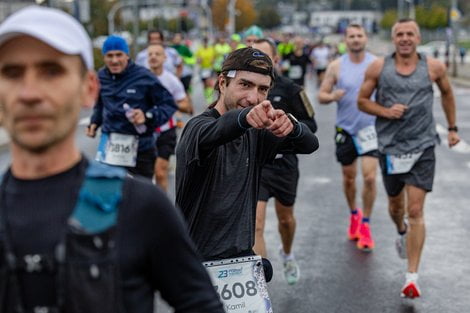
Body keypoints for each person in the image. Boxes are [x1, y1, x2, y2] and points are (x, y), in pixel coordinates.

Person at [0, 5, 224, 313]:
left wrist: (145, 117)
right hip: (113, 147)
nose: (29, 92)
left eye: (51, 71)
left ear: (88, 88)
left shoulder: (142, 208)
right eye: (11, 73)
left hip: (141, 150)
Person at [175, 47, 319, 264]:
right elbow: (220, 129)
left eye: (262, 89)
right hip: (195, 261)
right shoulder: (197, 128)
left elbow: (310, 144)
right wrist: (244, 118)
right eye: (245, 85)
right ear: (223, 83)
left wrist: (292, 125)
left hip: (242, 262)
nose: (253, 97)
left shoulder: (256, 134)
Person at [358, 18, 460, 298]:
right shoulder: (379, 67)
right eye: (400, 34)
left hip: (423, 146)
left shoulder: (434, 67)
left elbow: (448, 94)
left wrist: (452, 129)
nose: (405, 38)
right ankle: (401, 231)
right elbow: (362, 101)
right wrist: (385, 111)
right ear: (394, 39)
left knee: (416, 210)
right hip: (391, 148)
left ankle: (411, 277)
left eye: (410, 34)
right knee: (395, 207)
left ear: (418, 37)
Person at [252, 38, 317, 285]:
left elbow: (311, 125)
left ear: (276, 60)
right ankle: (258, 287)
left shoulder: (292, 89)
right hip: (259, 165)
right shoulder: (248, 92)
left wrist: (288, 123)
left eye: (264, 58)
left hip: (285, 165)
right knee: (256, 224)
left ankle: (287, 254)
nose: (258, 63)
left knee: (285, 220)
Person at [318, 24, 378, 252]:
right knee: (349, 178)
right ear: (346, 40)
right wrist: (332, 95)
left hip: (370, 129)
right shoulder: (336, 66)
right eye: (351, 36)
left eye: (359, 36)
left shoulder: (376, 64)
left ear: (366, 38)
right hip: (345, 129)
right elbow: (321, 95)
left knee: (370, 178)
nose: (355, 40)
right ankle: (354, 212)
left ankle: (366, 223)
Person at [86, 35, 177, 179]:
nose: (114, 60)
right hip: (111, 143)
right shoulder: (102, 76)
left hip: (140, 145)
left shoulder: (144, 77)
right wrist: (94, 122)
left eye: (119, 55)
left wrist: (147, 116)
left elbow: (168, 105)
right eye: (109, 56)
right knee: (108, 191)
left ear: (127, 55)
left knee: (142, 195)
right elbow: (100, 103)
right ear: (104, 57)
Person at [148, 43, 192, 191]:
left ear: (164, 57)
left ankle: (161, 210)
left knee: (160, 172)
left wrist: (168, 102)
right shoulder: (140, 78)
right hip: (145, 131)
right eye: (150, 54)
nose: (153, 57)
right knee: (145, 175)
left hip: (166, 130)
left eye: (157, 54)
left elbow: (186, 106)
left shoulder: (172, 80)